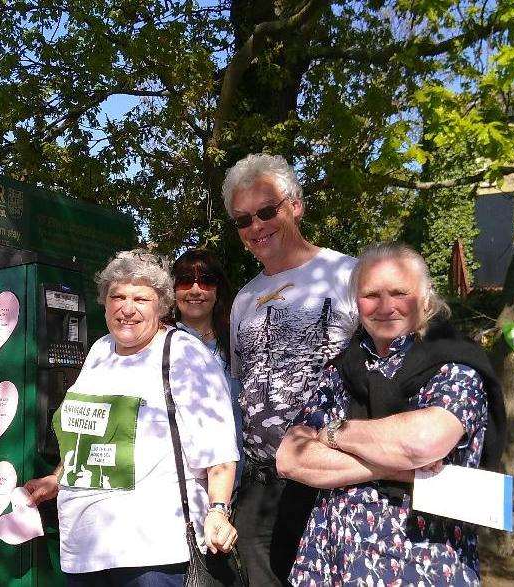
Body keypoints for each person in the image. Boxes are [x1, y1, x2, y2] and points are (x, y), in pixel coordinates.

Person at [275, 242, 507, 586]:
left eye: (399, 293)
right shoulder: (343, 368)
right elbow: (290, 458)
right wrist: (402, 469)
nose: (385, 307)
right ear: (356, 301)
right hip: (329, 565)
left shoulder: (455, 365)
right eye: (371, 295)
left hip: (420, 567)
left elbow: (421, 443)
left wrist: (331, 436)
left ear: (425, 298)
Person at [24, 249, 240, 586]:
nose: (127, 308)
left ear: (162, 305)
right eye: (118, 296)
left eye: (141, 298)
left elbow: (219, 451)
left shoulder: (184, 355)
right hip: (85, 548)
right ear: (105, 303)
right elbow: (86, 432)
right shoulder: (99, 351)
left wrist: (218, 510)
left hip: (153, 554)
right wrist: (57, 478)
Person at [224, 153, 359, 585]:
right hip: (260, 489)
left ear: (296, 204)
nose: (256, 227)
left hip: (331, 481)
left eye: (267, 211)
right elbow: (241, 380)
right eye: (244, 220)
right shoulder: (245, 298)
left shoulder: (349, 275)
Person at [170, 249, 244, 477]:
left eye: (206, 281)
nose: (195, 290)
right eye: (184, 282)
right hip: (181, 481)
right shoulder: (159, 342)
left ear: (218, 289)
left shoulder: (237, 342)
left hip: (234, 475)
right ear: (172, 290)